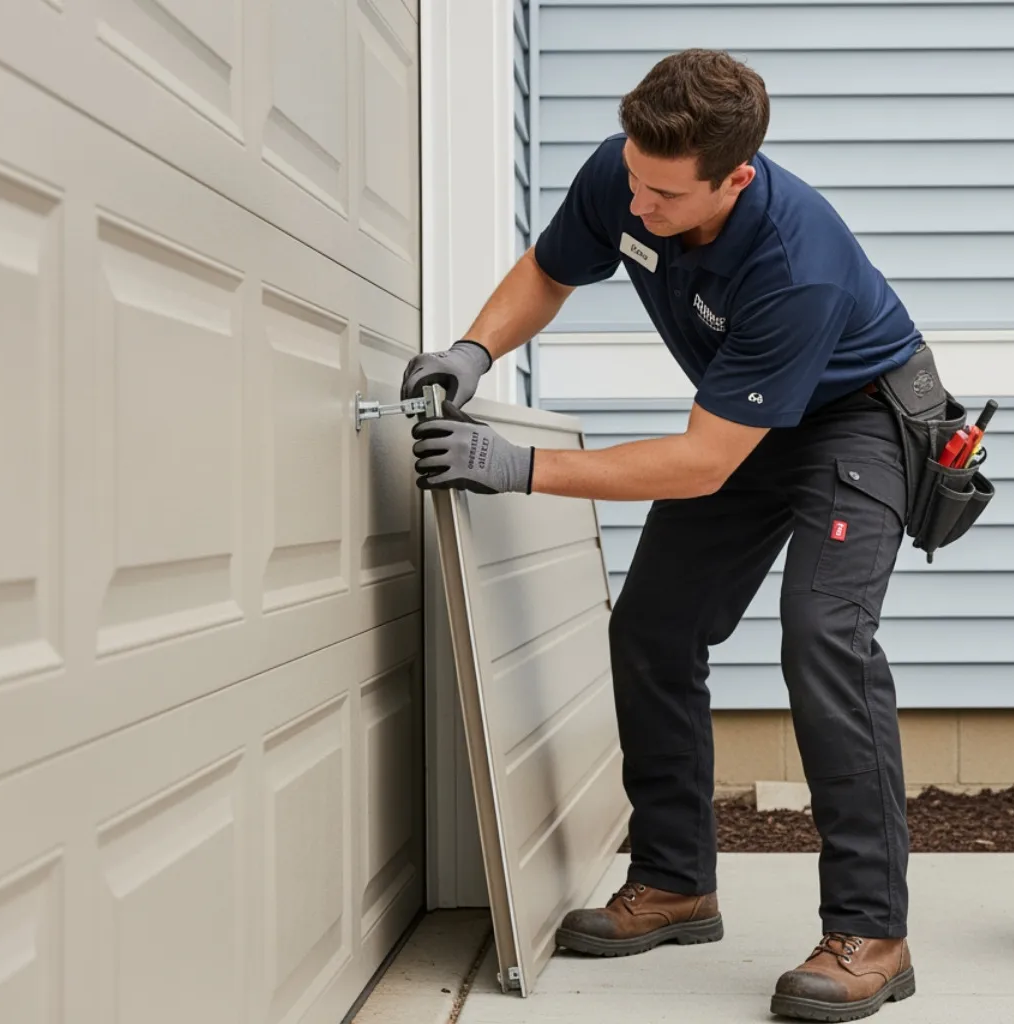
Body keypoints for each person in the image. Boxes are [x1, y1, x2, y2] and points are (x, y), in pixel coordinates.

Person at [400, 48, 951, 1022]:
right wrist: (473, 350)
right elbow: (550, 269)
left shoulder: (796, 266)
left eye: (664, 195)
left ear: (734, 178)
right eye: (634, 180)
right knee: (653, 628)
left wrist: (517, 466)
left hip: (857, 421)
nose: (637, 205)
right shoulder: (629, 171)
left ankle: (873, 931)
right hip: (746, 418)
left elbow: (701, 462)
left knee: (825, 636)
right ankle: (674, 880)